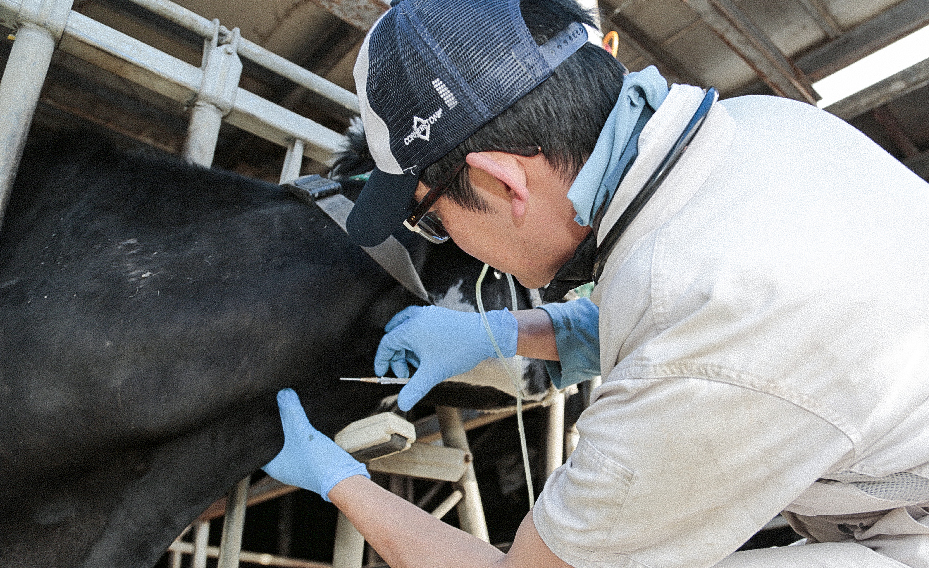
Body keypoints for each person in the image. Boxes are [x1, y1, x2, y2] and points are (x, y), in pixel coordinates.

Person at [261, 0, 929, 566]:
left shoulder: (710, 344)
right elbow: (672, 317)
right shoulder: (767, 126)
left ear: (503, 183)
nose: (449, 237)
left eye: (431, 216)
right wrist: (498, 331)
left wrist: (342, 483)